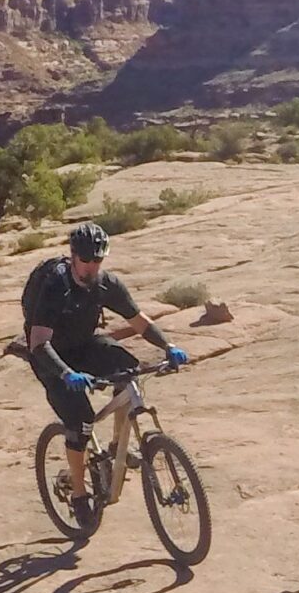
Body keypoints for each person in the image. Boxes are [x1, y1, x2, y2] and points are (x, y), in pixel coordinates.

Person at [23, 222, 188, 522]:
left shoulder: (106, 284)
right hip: (50, 356)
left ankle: (116, 446)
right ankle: (79, 492)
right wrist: (65, 374)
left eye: (97, 261)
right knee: (80, 421)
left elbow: (139, 321)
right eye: (85, 261)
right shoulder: (55, 285)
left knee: (128, 370)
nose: (90, 267)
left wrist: (168, 346)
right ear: (73, 257)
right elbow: (38, 342)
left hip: (84, 344)